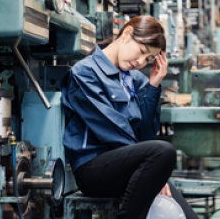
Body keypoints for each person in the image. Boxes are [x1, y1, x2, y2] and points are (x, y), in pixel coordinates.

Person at [60, 15, 199, 219]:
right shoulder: (85, 73)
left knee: (188, 216)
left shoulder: (135, 80)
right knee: (163, 152)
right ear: (126, 34)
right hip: (93, 169)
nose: (141, 62)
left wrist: (153, 86)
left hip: (129, 168)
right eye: (142, 52)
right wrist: (156, 171)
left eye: (148, 59)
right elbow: (112, 130)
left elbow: (145, 135)